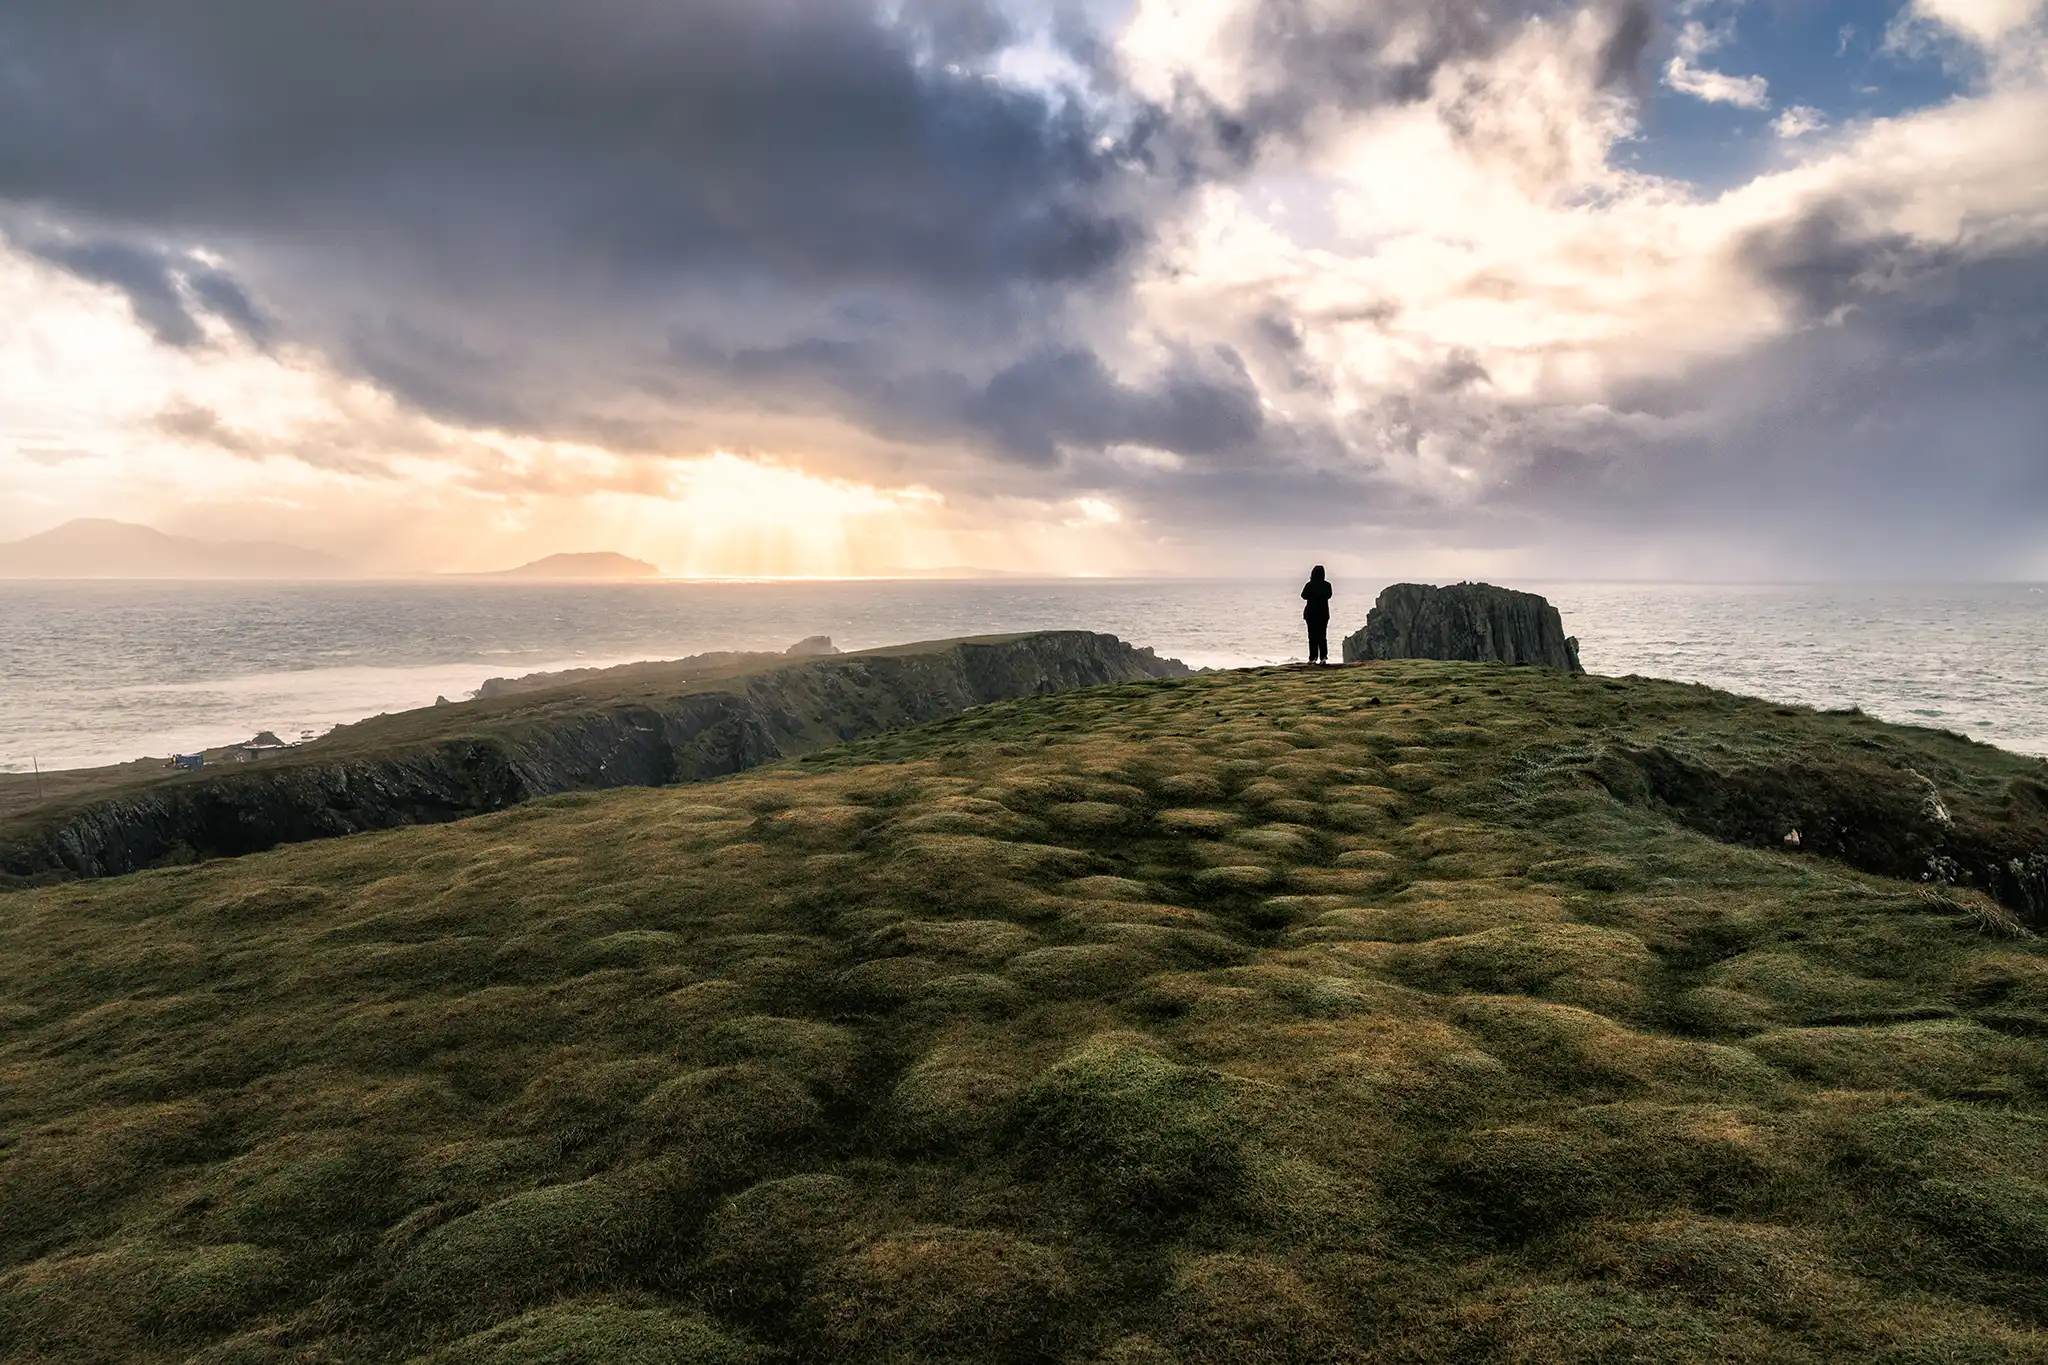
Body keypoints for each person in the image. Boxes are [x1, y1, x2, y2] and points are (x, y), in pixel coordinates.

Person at [1300, 565, 1333, 664]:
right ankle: (1323, 657)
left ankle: (1312, 658)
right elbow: (1329, 595)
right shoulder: (1327, 585)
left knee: (1312, 636)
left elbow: (1303, 596)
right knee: (1322, 636)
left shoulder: (1309, 585)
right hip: (1323, 613)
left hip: (1311, 613)